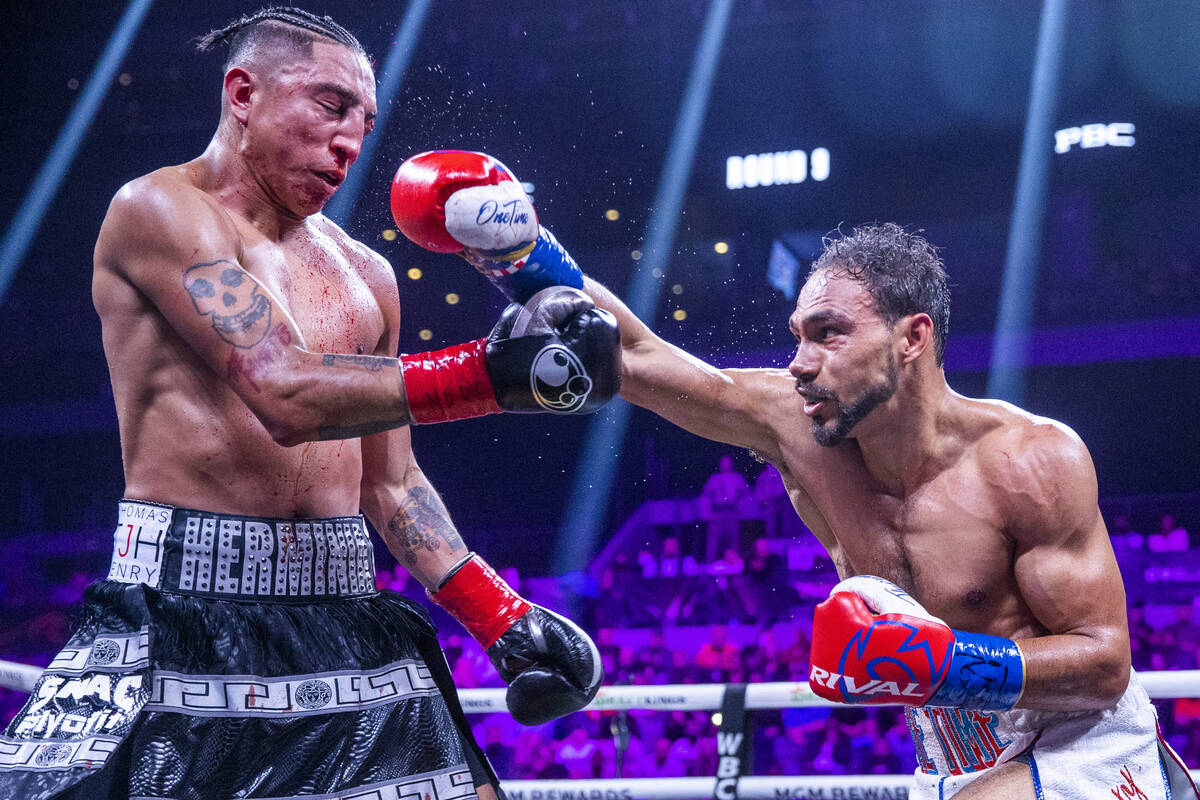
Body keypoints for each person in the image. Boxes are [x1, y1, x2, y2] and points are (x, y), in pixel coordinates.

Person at [0, 10, 618, 800]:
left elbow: (390, 485)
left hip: (346, 613)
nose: (351, 144)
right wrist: (490, 375)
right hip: (183, 613)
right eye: (330, 107)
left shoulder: (368, 275)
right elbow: (284, 391)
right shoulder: (159, 211)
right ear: (243, 93)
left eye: (363, 123)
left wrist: (496, 614)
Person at [399, 209, 1197, 798]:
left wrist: (942, 663)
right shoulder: (793, 424)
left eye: (829, 335)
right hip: (957, 754)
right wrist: (515, 246)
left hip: (1081, 740)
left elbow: (1103, 666)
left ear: (912, 338)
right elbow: (632, 353)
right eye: (797, 336)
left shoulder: (1031, 459)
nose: (801, 363)